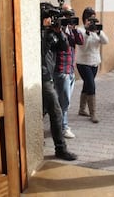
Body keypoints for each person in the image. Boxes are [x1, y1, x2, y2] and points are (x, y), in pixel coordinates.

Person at [41, 10, 77, 161]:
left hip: (46, 77)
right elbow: (40, 53)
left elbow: (64, 47)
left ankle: (59, 148)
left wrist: (59, 32)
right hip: (40, 77)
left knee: (49, 110)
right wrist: (46, 35)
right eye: (49, 18)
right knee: (55, 111)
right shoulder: (35, 33)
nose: (51, 21)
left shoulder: (51, 33)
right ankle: (60, 148)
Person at [54, 4, 84, 139]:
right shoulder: (57, 30)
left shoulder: (71, 30)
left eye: (71, 14)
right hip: (61, 70)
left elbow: (80, 41)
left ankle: (60, 124)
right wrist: (61, 28)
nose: (68, 17)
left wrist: (74, 28)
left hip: (70, 69)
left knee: (65, 101)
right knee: (64, 102)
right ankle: (63, 127)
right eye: (66, 14)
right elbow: (62, 45)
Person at [76, 7, 109, 123]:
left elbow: (106, 41)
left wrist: (98, 32)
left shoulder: (97, 29)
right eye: (90, 19)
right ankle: (93, 114)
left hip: (95, 62)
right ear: (85, 19)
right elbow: (83, 47)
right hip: (83, 62)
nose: (92, 21)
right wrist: (87, 32)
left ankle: (81, 109)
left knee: (87, 84)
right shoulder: (79, 30)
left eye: (94, 18)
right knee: (91, 86)